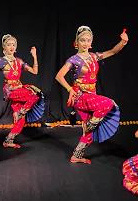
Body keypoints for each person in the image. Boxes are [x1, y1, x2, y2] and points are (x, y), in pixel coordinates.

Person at [55, 25, 129, 164]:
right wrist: (69, 89)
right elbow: (59, 76)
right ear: (76, 43)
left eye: (88, 40)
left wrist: (123, 42)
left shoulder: (95, 56)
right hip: (80, 95)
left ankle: (76, 155)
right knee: (107, 104)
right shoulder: (73, 59)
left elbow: (113, 52)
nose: (85, 43)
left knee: (89, 133)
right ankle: (89, 124)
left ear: (91, 43)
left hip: (91, 95)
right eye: (82, 40)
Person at [0, 34, 45, 148]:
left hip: (19, 89)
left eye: (13, 45)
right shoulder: (1, 61)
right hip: (11, 90)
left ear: (16, 48)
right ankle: (21, 111)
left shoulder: (19, 61)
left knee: (21, 121)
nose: (11, 47)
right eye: (8, 45)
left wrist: (34, 56)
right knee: (35, 94)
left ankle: (8, 141)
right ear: (4, 48)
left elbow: (35, 71)